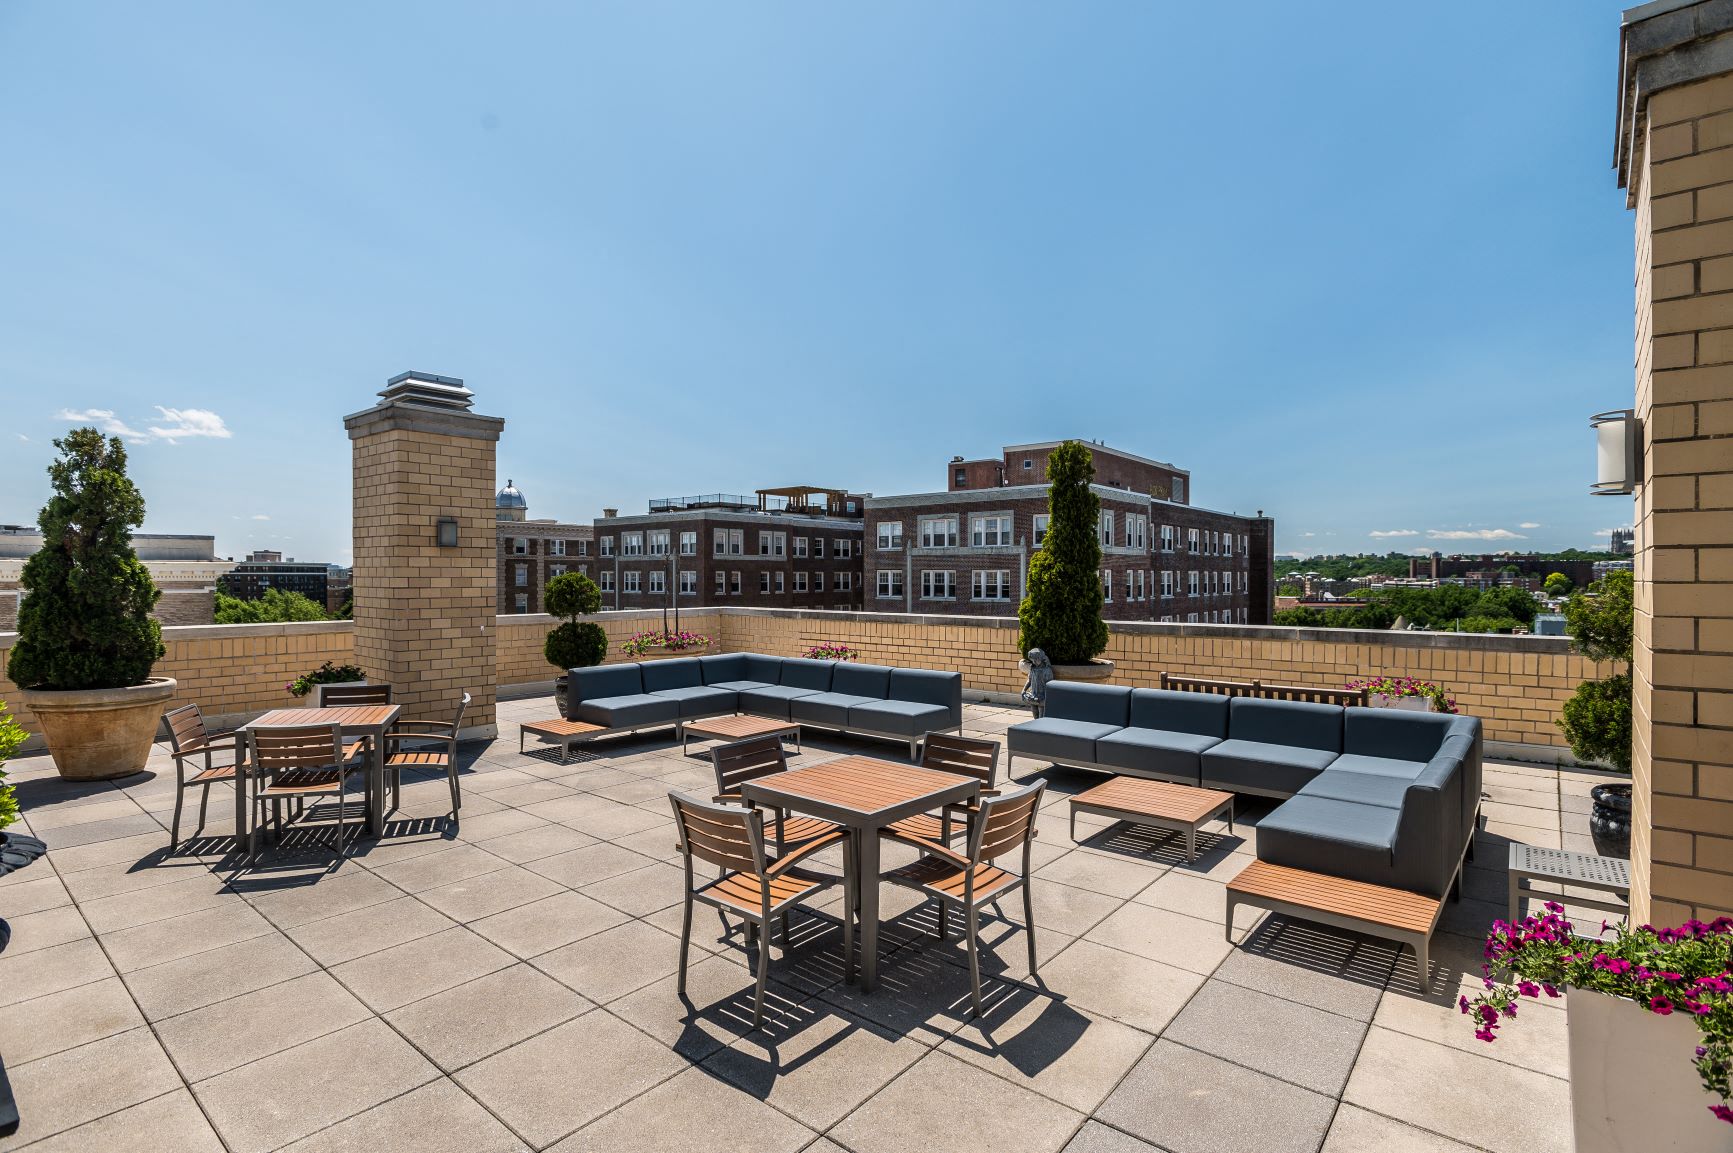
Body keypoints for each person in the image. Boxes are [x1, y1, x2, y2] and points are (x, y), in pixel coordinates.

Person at [1021, 647, 1054, 717]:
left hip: (1042, 696)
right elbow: (1029, 680)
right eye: (1033, 660)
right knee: (1035, 714)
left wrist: (1046, 696)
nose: (1034, 662)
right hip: (1033, 695)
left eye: (1036, 660)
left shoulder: (1047, 670)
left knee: (1041, 715)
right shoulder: (1032, 669)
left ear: (1041, 658)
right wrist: (1024, 690)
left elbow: (1049, 684)